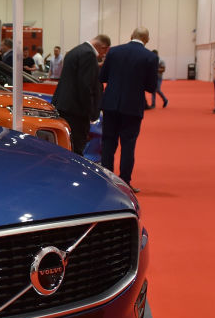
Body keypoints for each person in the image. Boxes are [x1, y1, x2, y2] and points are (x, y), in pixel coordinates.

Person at [99, 27, 158, 193]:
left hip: (110, 104)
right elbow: (151, 87)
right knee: (128, 145)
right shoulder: (150, 57)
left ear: (131, 35)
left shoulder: (114, 52)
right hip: (132, 106)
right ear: (146, 39)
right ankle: (124, 182)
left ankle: (106, 179)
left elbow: (102, 77)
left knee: (108, 142)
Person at [51, 34, 111, 155]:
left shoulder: (75, 51)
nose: (103, 55)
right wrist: (90, 112)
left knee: (67, 145)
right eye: (105, 51)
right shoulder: (89, 55)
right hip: (76, 110)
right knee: (77, 147)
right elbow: (85, 86)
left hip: (64, 105)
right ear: (103, 47)